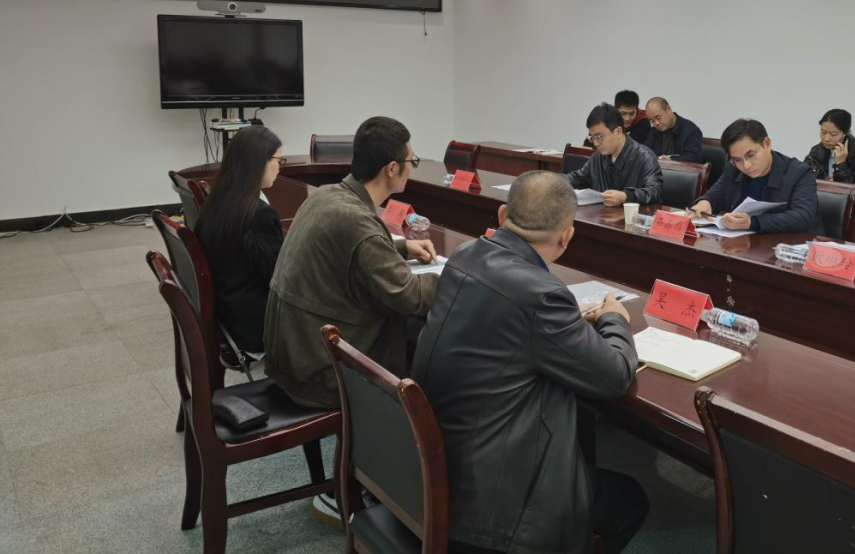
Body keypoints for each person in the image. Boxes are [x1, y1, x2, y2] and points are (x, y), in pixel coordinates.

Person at [412, 171, 647, 554]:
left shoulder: (466, 255)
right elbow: (615, 375)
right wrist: (614, 318)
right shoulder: (542, 294)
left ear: (502, 215)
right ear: (566, 236)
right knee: (630, 500)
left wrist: (567, 326)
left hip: (442, 464)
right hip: (496, 508)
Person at [263, 116, 440, 409]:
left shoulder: (326, 194)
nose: (412, 167)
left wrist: (401, 246)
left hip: (292, 358)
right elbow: (412, 296)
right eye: (412, 160)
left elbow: (347, 251)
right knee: (430, 353)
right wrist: (456, 276)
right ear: (392, 169)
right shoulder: (357, 221)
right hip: (320, 376)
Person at [194, 125, 284, 354]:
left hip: (229, 310)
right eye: (278, 160)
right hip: (255, 324)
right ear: (259, 162)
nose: (279, 168)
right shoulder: (258, 214)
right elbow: (281, 278)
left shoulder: (220, 199)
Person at [690, 118, 819, 234]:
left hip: (791, 246)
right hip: (742, 245)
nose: (746, 166)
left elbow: (802, 217)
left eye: (751, 155)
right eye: (737, 160)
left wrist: (752, 223)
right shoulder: (733, 168)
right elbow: (715, 195)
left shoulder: (800, 173)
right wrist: (705, 203)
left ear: (766, 144)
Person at [566, 103, 663, 206]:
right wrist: (556, 181)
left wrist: (626, 196)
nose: (595, 143)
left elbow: (655, 191)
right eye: (592, 138)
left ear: (618, 132)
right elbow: (578, 177)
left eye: (599, 137)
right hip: (603, 214)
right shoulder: (598, 157)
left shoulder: (645, 157)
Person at [804, 108, 855, 192]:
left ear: (845, 133)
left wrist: (841, 164)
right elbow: (803, 176)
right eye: (823, 132)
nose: (826, 139)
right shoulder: (816, 151)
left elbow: (852, 191)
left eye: (833, 134)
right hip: (821, 196)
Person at [640, 96, 704, 163]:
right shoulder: (653, 131)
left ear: (668, 109)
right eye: (652, 121)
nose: (656, 123)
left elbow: (694, 158)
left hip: (679, 169)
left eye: (658, 118)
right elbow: (645, 153)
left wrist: (672, 160)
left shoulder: (691, 130)